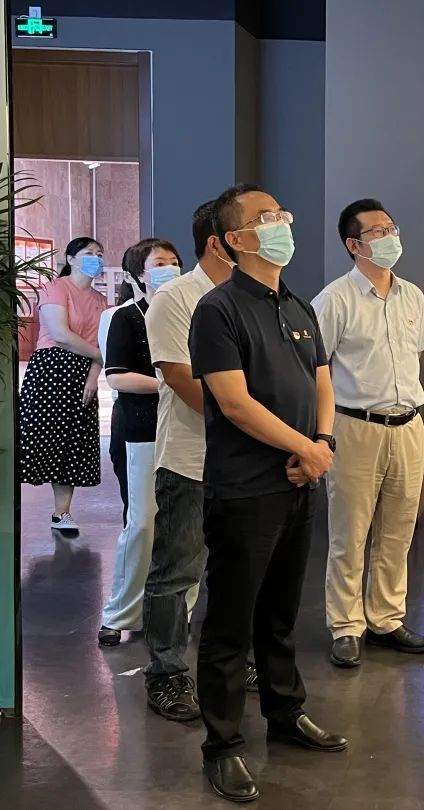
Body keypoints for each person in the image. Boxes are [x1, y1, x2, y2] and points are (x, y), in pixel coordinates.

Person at [190, 184, 345, 803]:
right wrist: (307, 449)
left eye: (282, 213)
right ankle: (222, 746)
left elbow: (323, 382)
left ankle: (285, 712)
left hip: (299, 482)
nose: (282, 221)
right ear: (234, 239)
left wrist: (321, 444)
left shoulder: (298, 306)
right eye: (265, 217)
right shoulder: (218, 310)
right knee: (230, 622)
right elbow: (233, 402)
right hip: (246, 490)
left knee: (281, 614)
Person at [314, 199, 424, 668]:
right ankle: (346, 625)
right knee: (350, 532)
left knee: (399, 530)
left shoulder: (412, 296)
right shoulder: (334, 299)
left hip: (408, 425)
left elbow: (416, 360)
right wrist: (321, 435)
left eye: (392, 227)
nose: (391, 237)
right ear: (354, 245)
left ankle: (386, 618)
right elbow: (315, 371)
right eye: (378, 231)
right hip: (355, 427)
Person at [142, 202, 248, 721]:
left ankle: (230, 661)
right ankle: (165, 673)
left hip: (247, 461)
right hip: (191, 459)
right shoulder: (176, 297)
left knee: (237, 569)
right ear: (218, 241)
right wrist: (247, 418)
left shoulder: (252, 296)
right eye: (256, 227)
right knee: (177, 571)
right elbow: (182, 379)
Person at [98, 239, 186, 647]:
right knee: (143, 523)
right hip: (141, 431)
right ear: (138, 274)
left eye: (174, 261)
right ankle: (121, 613)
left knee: (185, 526)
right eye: (159, 263)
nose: (169, 268)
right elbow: (117, 376)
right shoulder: (128, 317)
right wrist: (172, 384)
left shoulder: (191, 312)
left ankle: (178, 610)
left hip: (186, 429)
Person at [20, 237, 108, 531]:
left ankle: (62, 513)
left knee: (72, 442)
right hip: (51, 370)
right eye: (89, 253)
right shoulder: (56, 288)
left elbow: (102, 343)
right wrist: (99, 355)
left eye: (99, 254)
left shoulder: (100, 300)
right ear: (70, 259)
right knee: (42, 437)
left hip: (83, 373)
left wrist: (93, 376)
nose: (95, 258)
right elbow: (60, 334)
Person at [99, 282, 136, 526]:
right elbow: (113, 369)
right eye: (160, 264)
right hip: (129, 406)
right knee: (132, 489)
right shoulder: (117, 315)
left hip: (170, 407)